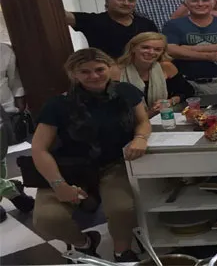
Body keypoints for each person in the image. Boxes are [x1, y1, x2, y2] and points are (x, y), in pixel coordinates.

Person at [32, 48, 150, 262]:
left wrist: (140, 138)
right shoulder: (57, 105)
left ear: (110, 68)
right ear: (73, 74)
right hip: (69, 168)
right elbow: (39, 148)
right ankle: (84, 244)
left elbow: (143, 121)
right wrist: (58, 184)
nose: (94, 76)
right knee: (47, 218)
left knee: (122, 208)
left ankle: (122, 250)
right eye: (85, 72)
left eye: (99, 69)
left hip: (113, 164)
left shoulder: (127, 92)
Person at [162, 0, 217, 95]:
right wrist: (211, 56)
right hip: (186, 83)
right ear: (186, 4)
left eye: (205, 0)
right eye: (194, 1)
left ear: (212, 3)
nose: (200, 4)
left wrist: (188, 48)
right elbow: (171, 50)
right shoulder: (173, 24)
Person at [113, 32, 195, 116]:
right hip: (127, 122)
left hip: (162, 118)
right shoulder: (115, 71)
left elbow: (187, 91)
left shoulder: (166, 67)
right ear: (133, 48)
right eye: (145, 47)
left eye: (157, 49)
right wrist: (147, 114)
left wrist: (170, 101)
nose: (151, 52)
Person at [65, 0, 158, 58]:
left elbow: (158, 47)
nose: (126, 3)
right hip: (108, 75)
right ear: (108, 1)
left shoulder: (146, 24)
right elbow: (59, 15)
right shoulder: (92, 21)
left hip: (143, 73)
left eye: (131, 0)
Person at [0, 43, 34, 223]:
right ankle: (13, 192)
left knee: (0, 158)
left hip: (4, 112)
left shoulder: (4, 50)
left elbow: (14, 80)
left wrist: (20, 99)